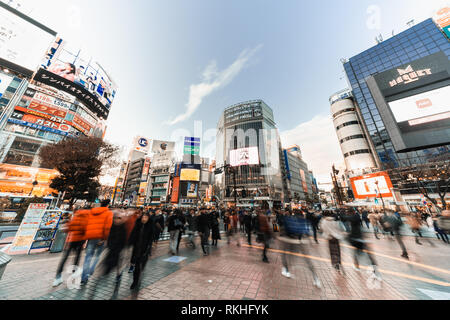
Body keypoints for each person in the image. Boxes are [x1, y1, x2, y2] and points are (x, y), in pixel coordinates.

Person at [277, 211, 321, 288]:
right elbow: (309, 233)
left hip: (290, 241)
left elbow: (277, 228)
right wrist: (310, 241)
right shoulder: (305, 221)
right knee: (308, 261)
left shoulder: (287, 219)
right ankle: (316, 278)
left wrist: (277, 234)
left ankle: (286, 270)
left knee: (286, 256)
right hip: (302, 242)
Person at [52, 206, 89, 287]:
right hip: (80, 240)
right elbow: (85, 228)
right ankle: (73, 275)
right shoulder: (86, 217)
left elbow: (69, 227)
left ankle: (58, 277)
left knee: (65, 258)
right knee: (77, 258)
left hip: (71, 239)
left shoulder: (75, 216)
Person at [341, 210, 381, 280]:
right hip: (361, 239)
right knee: (368, 257)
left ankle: (357, 267)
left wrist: (341, 213)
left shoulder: (352, 219)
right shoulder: (357, 218)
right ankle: (376, 272)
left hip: (355, 240)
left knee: (356, 254)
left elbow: (344, 217)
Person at [81, 200, 113, 285]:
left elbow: (87, 224)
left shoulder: (92, 212)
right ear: (107, 205)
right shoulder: (108, 213)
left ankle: (83, 278)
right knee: (97, 256)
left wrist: (86, 237)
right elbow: (107, 227)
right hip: (100, 237)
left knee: (88, 257)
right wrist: (104, 238)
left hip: (90, 237)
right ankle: (91, 271)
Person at [128, 212, 153, 290]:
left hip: (144, 249)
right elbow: (132, 235)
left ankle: (136, 281)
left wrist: (149, 247)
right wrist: (129, 243)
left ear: (148, 219)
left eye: (146, 217)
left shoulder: (150, 227)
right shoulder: (138, 225)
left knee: (139, 266)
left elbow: (150, 238)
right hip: (136, 248)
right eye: (143, 217)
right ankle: (135, 281)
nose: (144, 219)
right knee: (136, 265)